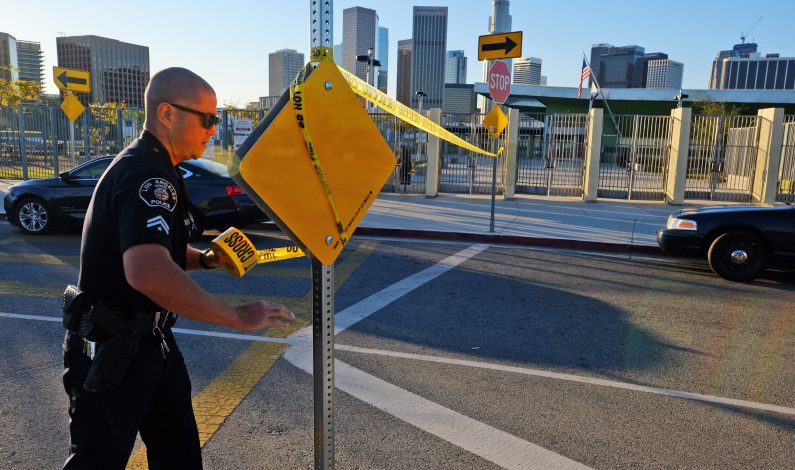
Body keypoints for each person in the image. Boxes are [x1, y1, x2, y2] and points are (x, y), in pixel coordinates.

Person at [61, 67, 295, 469]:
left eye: (215, 119)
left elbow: (156, 244)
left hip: (152, 345)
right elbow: (147, 270)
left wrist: (204, 258)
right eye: (206, 118)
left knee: (179, 456)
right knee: (97, 461)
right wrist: (236, 317)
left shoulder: (161, 168)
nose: (212, 129)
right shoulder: (145, 175)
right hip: (112, 350)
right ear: (168, 114)